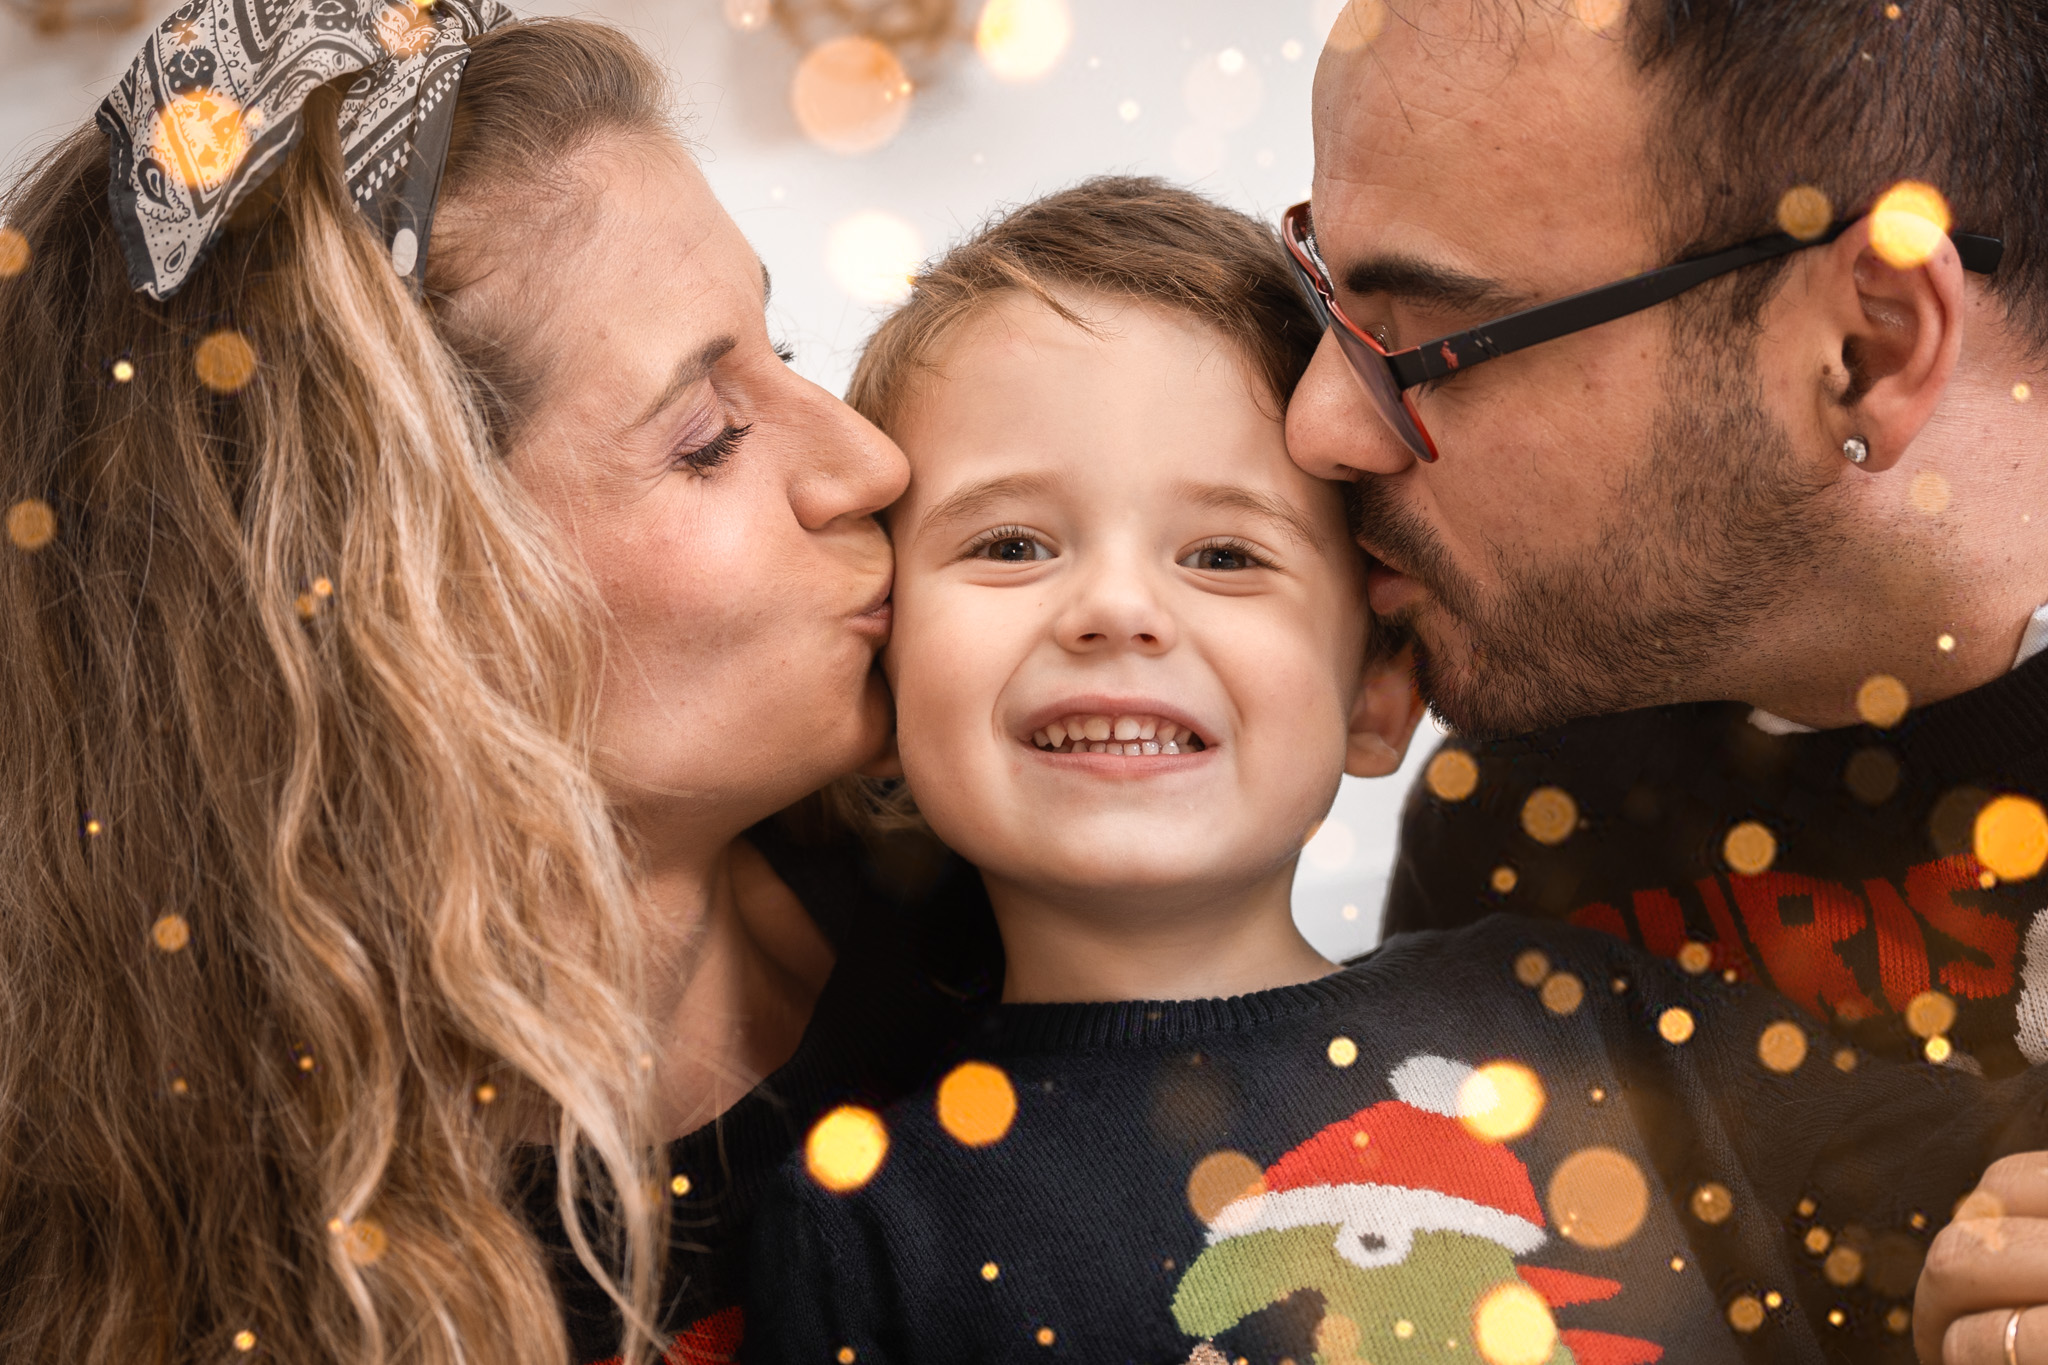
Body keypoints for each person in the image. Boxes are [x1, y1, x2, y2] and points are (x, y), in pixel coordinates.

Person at [743, 176, 2048, 1365]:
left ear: (1379, 694)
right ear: (885, 662)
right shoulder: (855, 1219)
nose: (1116, 610)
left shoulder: (1595, 1011)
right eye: (1015, 543)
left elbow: (1992, 1206)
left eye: (1225, 556)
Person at [0, 8, 993, 1365]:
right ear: (387, 614)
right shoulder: (175, 1288)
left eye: (790, 349)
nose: (870, 463)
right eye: (710, 437)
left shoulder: (1007, 934)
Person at [1278, 3, 2048, 1360]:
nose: (1321, 423)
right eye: (1326, 300)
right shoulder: (1521, 809)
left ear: (1864, 346)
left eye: (1429, 342)